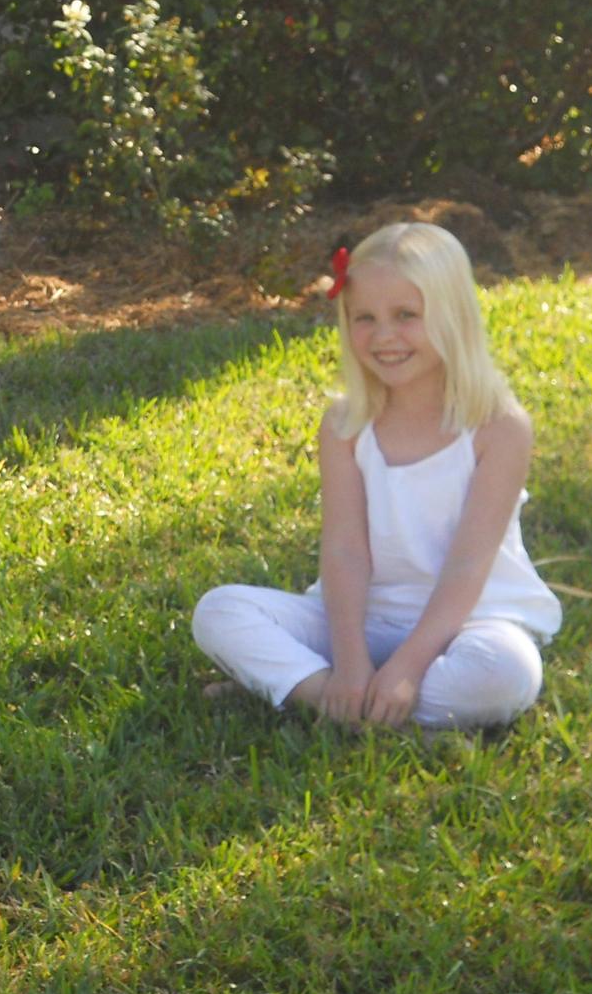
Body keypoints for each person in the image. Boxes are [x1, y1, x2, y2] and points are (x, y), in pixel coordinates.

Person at [193, 222, 562, 730]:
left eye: (406, 315)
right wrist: (349, 660)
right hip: (362, 622)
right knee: (219, 611)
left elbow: (467, 567)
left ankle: (315, 693)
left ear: (452, 316)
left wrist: (409, 666)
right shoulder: (346, 425)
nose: (384, 336)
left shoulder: (498, 426)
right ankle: (344, 692)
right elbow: (344, 551)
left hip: (471, 621)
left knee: (506, 676)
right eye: (364, 317)